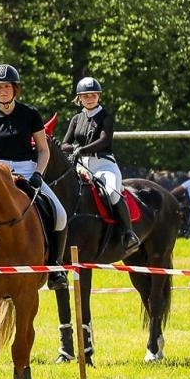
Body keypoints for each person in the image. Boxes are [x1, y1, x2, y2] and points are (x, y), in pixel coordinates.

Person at [0, 64, 66, 245]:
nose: (3, 91)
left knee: (60, 215)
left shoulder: (30, 114)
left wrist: (38, 173)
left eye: (7, 86)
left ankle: (55, 262)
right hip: (0, 173)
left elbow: (43, 149)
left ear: (15, 88)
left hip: (28, 172)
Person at [60, 76, 139, 252]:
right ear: (79, 98)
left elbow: (104, 141)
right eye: (86, 96)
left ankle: (128, 234)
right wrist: (74, 149)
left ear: (99, 96)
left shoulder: (106, 117)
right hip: (81, 165)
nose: (90, 99)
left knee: (111, 193)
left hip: (103, 164)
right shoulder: (76, 119)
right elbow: (65, 143)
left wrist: (81, 149)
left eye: (93, 95)